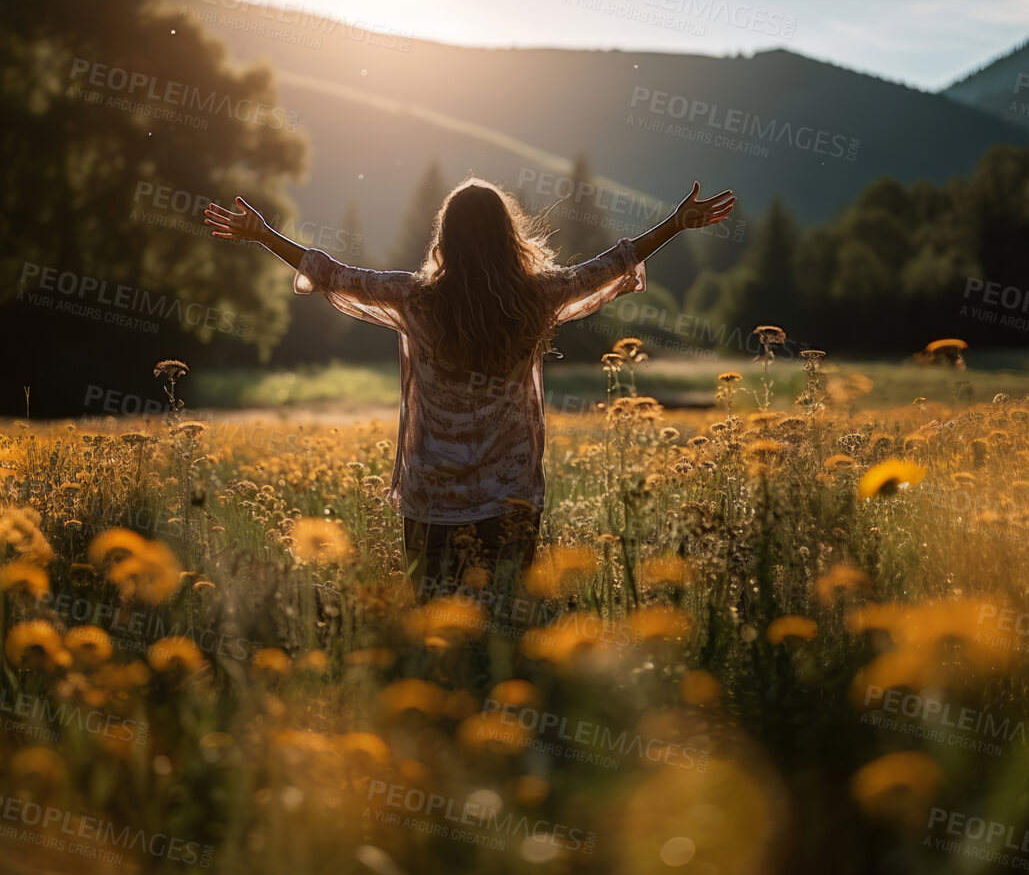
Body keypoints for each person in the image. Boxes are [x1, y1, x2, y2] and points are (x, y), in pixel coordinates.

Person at [205, 177, 735, 603]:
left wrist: (264, 235)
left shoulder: (415, 299)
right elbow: (608, 266)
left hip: (432, 498)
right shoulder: (537, 296)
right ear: (508, 236)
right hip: (511, 495)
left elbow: (335, 275)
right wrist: (675, 225)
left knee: (435, 629)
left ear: (447, 237)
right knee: (508, 622)